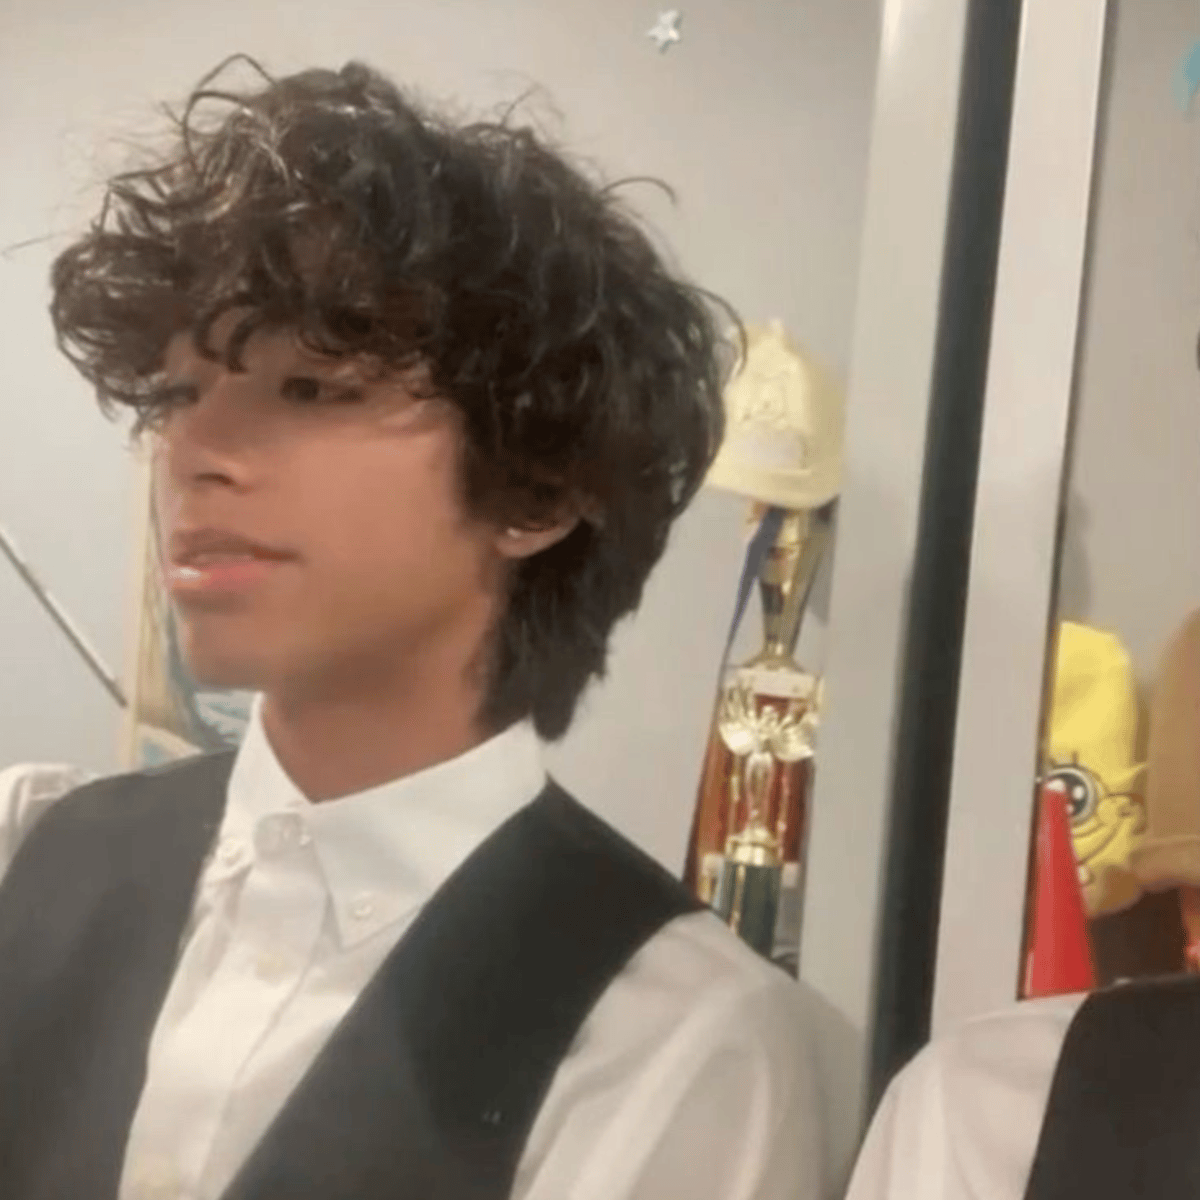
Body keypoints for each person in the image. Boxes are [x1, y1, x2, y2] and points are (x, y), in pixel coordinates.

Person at [0, 55, 824, 1200]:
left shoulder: (669, 1041)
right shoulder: (29, 848)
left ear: (536, 486)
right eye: (179, 393)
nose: (197, 453)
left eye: (311, 389)